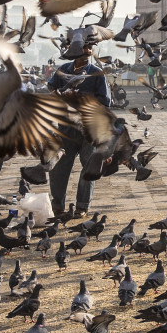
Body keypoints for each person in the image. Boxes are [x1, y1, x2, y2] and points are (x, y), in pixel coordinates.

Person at [47, 37, 112, 218]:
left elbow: (106, 101)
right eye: (85, 47)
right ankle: (58, 205)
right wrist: (61, 95)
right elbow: (51, 86)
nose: (88, 50)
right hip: (66, 126)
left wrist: (80, 97)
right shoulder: (63, 70)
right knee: (59, 167)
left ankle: (82, 206)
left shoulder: (96, 73)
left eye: (91, 47)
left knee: (88, 167)